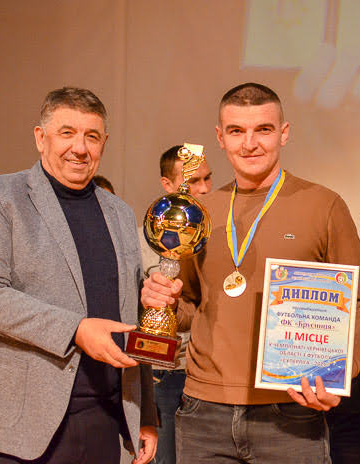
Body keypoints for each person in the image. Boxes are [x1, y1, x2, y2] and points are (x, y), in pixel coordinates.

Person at [141, 82, 360, 464]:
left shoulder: (324, 206)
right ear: (220, 138)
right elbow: (188, 305)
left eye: (263, 130)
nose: (249, 143)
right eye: (236, 131)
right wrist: (162, 303)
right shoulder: (202, 211)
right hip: (204, 410)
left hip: (291, 411)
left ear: (284, 133)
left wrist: (340, 373)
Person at [0, 87, 157, 464]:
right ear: (41, 138)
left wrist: (145, 414)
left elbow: (130, 318)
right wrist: (75, 329)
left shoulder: (119, 212)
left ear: (104, 143)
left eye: (91, 136)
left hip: (103, 417)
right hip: (17, 426)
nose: (80, 147)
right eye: (67, 132)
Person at [144, 145, 212, 464]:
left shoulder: (216, 235)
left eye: (208, 179)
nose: (204, 188)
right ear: (167, 185)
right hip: (162, 374)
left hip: (204, 375)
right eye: (193, 180)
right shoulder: (147, 240)